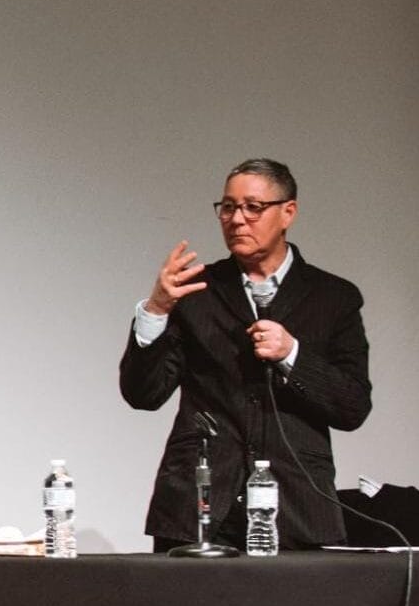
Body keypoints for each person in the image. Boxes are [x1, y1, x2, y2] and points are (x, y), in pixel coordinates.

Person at [121, 158, 371, 552]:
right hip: (200, 506)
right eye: (228, 207)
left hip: (296, 511)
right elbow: (142, 394)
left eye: (253, 207)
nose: (237, 219)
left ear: (288, 212)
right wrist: (156, 309)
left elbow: (353, 407)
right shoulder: (195, 293)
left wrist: (292, 354)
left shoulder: (334, 297)